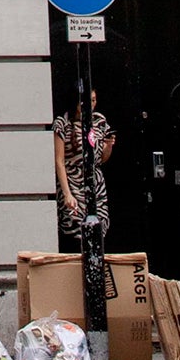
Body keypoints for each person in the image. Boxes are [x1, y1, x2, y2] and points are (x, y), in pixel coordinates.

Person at [51, 92, 115, 251]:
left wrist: (108, 146)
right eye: (86, 101)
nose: (91, 105)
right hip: (73, 179)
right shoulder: (63, 123)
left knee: (98, 228)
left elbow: (101, 159)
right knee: (75, 229)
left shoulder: (99, 121)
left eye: (93, 100)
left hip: (95, 181)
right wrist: (67, 193)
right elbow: (59, 160)